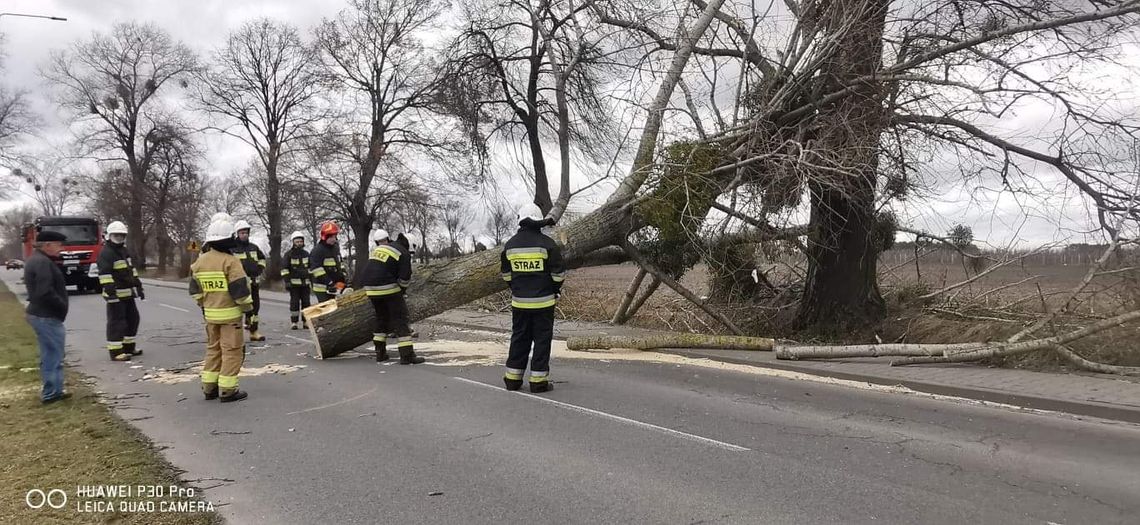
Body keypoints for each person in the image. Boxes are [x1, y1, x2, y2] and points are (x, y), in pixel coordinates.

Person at [189, 215, 254, 403]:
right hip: (231, 317)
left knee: (213, 350)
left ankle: (209, 388)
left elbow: (194, 291)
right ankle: (227, 390)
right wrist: (249, 310)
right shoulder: (230, 262)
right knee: (232, 351)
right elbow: (240, 292)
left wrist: (204, 304)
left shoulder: (199, 262)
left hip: (210, 316)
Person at [499, 204, 564, 393]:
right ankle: (538, 382)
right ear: (538, 221)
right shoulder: (548, 244)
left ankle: (512, 380)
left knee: (519, 339)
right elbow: (559, 274)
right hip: (544, 303)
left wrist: (518, 289)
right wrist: (555, 290)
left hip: (519, 303)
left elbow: (506, 275)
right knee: (541, 341)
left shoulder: (510, 245)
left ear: (520, 220)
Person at [360, 229, 424, 364]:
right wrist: (402, 291)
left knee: (381, 318)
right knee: (400, 319)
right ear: (411, 245)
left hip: (369, 288)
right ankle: (407, 356)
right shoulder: (404, 252)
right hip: (387, 286)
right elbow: (405, 277)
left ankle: (380, 353)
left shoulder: (384, 248)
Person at [24, 230, 71, 404]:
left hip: (42, 315)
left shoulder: (38, 259)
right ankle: (51, 393)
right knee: (53, 355)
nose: (62, 248)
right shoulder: (42, 262)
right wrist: (61, 305)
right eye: (59, 245)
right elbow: (45, 292)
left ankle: (55, 389)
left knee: (52, 353)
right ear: (47, 245)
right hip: (46, 316)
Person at [97, 221, 144, 361]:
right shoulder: (106, 253)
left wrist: (138, 286)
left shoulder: (123, 251)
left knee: (133, 319)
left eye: (122, 235)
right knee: (117, 323)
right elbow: (105, 274)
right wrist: (111, 293)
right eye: (116, 235)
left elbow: (131, 270)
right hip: (115, 294)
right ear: (109, 236)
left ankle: (128, 348)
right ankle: (116, 351)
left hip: (128, 293)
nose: (119, 238)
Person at [232, 220, 267, 342]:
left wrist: (260, 268)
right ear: (237, 233)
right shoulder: (232, 249)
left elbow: (262, 259)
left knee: (255, 308)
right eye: (242, 232)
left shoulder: (254, 247)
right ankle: (235, 335)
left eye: (246, 232)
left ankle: (254, 331)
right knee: (238, 308)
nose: (244, 235)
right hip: (239, 284)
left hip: (253, 282)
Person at [309, 221, 346, 303]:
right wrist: (329, 283)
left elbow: (340, 264)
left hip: (334, 287)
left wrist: (343, 277)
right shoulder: (317, 251)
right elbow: (316, 270)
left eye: (335, 236)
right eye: (332, 237)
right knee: (326, 309)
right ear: (325, 237)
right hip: (321, 287)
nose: (334, 239)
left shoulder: (335, 248)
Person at [282, 231, 312, 330]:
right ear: (293, 242)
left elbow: (311, 268)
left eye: (300, 241)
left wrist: (312, 280)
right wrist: (287, 281)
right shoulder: (288, 255)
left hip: (305, 284)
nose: (299, 243)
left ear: (303, 242)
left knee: (306, 303)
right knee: (294, 303)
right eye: (297, 241)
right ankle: (294, 322)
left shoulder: (306, 254)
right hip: (293, 285)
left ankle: (305, 322)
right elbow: (284, 269)